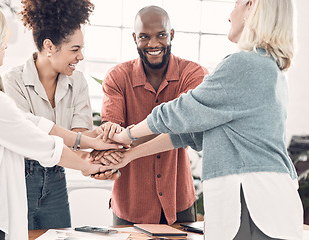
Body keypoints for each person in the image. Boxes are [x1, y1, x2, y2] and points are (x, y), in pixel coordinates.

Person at [105, 0, 303, 239]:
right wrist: (129, 155)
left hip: (252, 200)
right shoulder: (267, 65)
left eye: (236, 4)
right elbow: (189, 133)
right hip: (262, 199)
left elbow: (182, 111)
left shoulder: (244, 64)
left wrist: (126, 135)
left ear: (251, 7)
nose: (230, 15)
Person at [0, 1, 120, 240]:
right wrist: (90, 164)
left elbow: (26, 121)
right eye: (2, 36)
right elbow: (39, 142)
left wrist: (86, 141)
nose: (6, 45)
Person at [3, 0, 118, 230]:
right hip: (20, 181)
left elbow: (78, 137)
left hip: (57, 179)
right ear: (49, 46)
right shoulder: (12, 81)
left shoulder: (78, 82)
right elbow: (30, 136)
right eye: (75, 49)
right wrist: (87, 157)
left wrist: (104, 140)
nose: (81, 57)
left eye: (81, 49)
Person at [92, 5, 208, 225]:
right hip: (130, 204)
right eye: (144, 37)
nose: (153, 44)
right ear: (135, 38)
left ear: (171, 34)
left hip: (178, 201)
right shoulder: (117, 78)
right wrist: (108, 148)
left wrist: (127, 138)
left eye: (161, 35)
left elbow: (184, 126)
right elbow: (112, 134)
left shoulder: (192, 74)